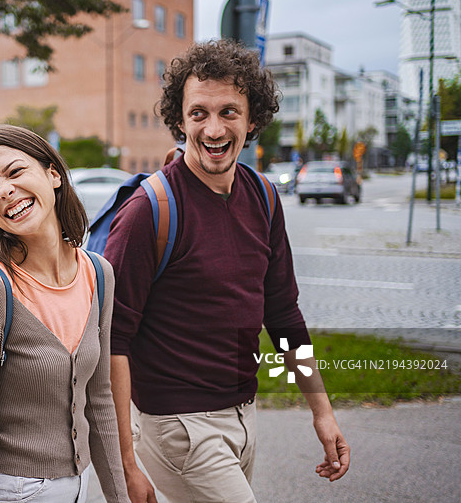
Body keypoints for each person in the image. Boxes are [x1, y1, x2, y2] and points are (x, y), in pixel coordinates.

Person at [104, 40, 351, 503]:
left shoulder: (264, 197)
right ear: (180, 121)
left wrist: (322, 411)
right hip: (177, 425)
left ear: (252, 119)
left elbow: (284, 316)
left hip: (243, 416)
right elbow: (111, 340)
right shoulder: (149, 211)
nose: (213, 129)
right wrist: (125, 464)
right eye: (198, 113)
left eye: (229, 112)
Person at [0, 123, 129, 502]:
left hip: (78, 486)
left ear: (53, 174)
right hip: (11, 490)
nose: (4, 191)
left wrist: (120, 497)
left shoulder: (98, 274)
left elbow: (100, 401)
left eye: (14, 172)